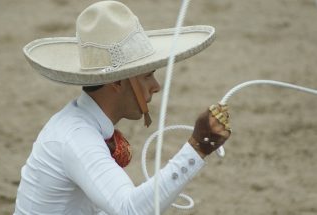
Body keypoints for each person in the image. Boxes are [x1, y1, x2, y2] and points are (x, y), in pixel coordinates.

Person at [14, 1, 231, 214]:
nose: (156, 87)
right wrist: (197, 148)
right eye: (148, 76)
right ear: (117, 82)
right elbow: (129, 210)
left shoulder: (79, 124)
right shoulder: (76, 136)